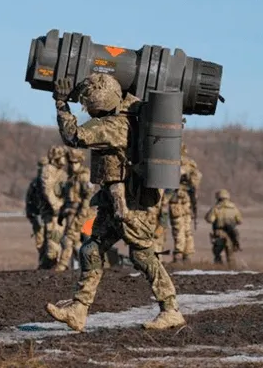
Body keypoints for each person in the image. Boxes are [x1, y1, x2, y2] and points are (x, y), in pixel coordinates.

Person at [43, 73, 186, 331]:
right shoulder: (129, 114)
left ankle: (170, 309)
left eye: (88, 100)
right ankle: (79, 309)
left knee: (142, 255)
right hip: (114, 199)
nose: (85, 104)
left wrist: (61, 104)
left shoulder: (112, 126)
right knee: (91, 250)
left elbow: (73, 136)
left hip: (131, 204)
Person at [56, 148, 93, 271]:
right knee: (75, 242)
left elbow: (87, 198)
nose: (73, 165)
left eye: (75, 163)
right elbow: (67, 198)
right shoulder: (71, 177)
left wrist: (80, 218)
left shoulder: (84, 176)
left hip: (83, 215)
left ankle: (62, 266)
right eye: (70, 163)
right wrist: (62, 214)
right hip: (71, 214)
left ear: (80, 162)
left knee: (68, 239)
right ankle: (83, 265)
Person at [168, 142, 202, 263]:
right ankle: (188, 254)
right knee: (187, 229)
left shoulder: (171, 162)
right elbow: (196, 181)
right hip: (187, 200)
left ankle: (178, 254)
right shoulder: (191, 164)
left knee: (178, 227)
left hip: (176, 200)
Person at [38, 145, 68, 269]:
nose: (64, 160)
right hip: (52, 213)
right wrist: (56, 206)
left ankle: (54, 266)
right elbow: (47, 190)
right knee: (52, 241)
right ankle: (50, 267)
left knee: (59, 239)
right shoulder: (48, 170)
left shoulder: (62, 172)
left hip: (61, 211)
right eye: (62, 157)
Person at [204, 189, 242, 266]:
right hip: (230, 234)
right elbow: (239, 220)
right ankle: (232, 271)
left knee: (217, 253)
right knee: (230, 255)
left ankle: (219, 269)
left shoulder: (216, 208)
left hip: (219, 233)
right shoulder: (234, 208)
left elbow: (209, 219)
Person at [25, 157, 47, 265]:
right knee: (40, 242)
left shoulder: (53, 181)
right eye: (40, 167)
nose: (42, 169)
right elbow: (29, 201)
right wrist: (32, 216)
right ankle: (43, 264)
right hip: (38, 216)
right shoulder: (34, 184)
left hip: (50, 217)